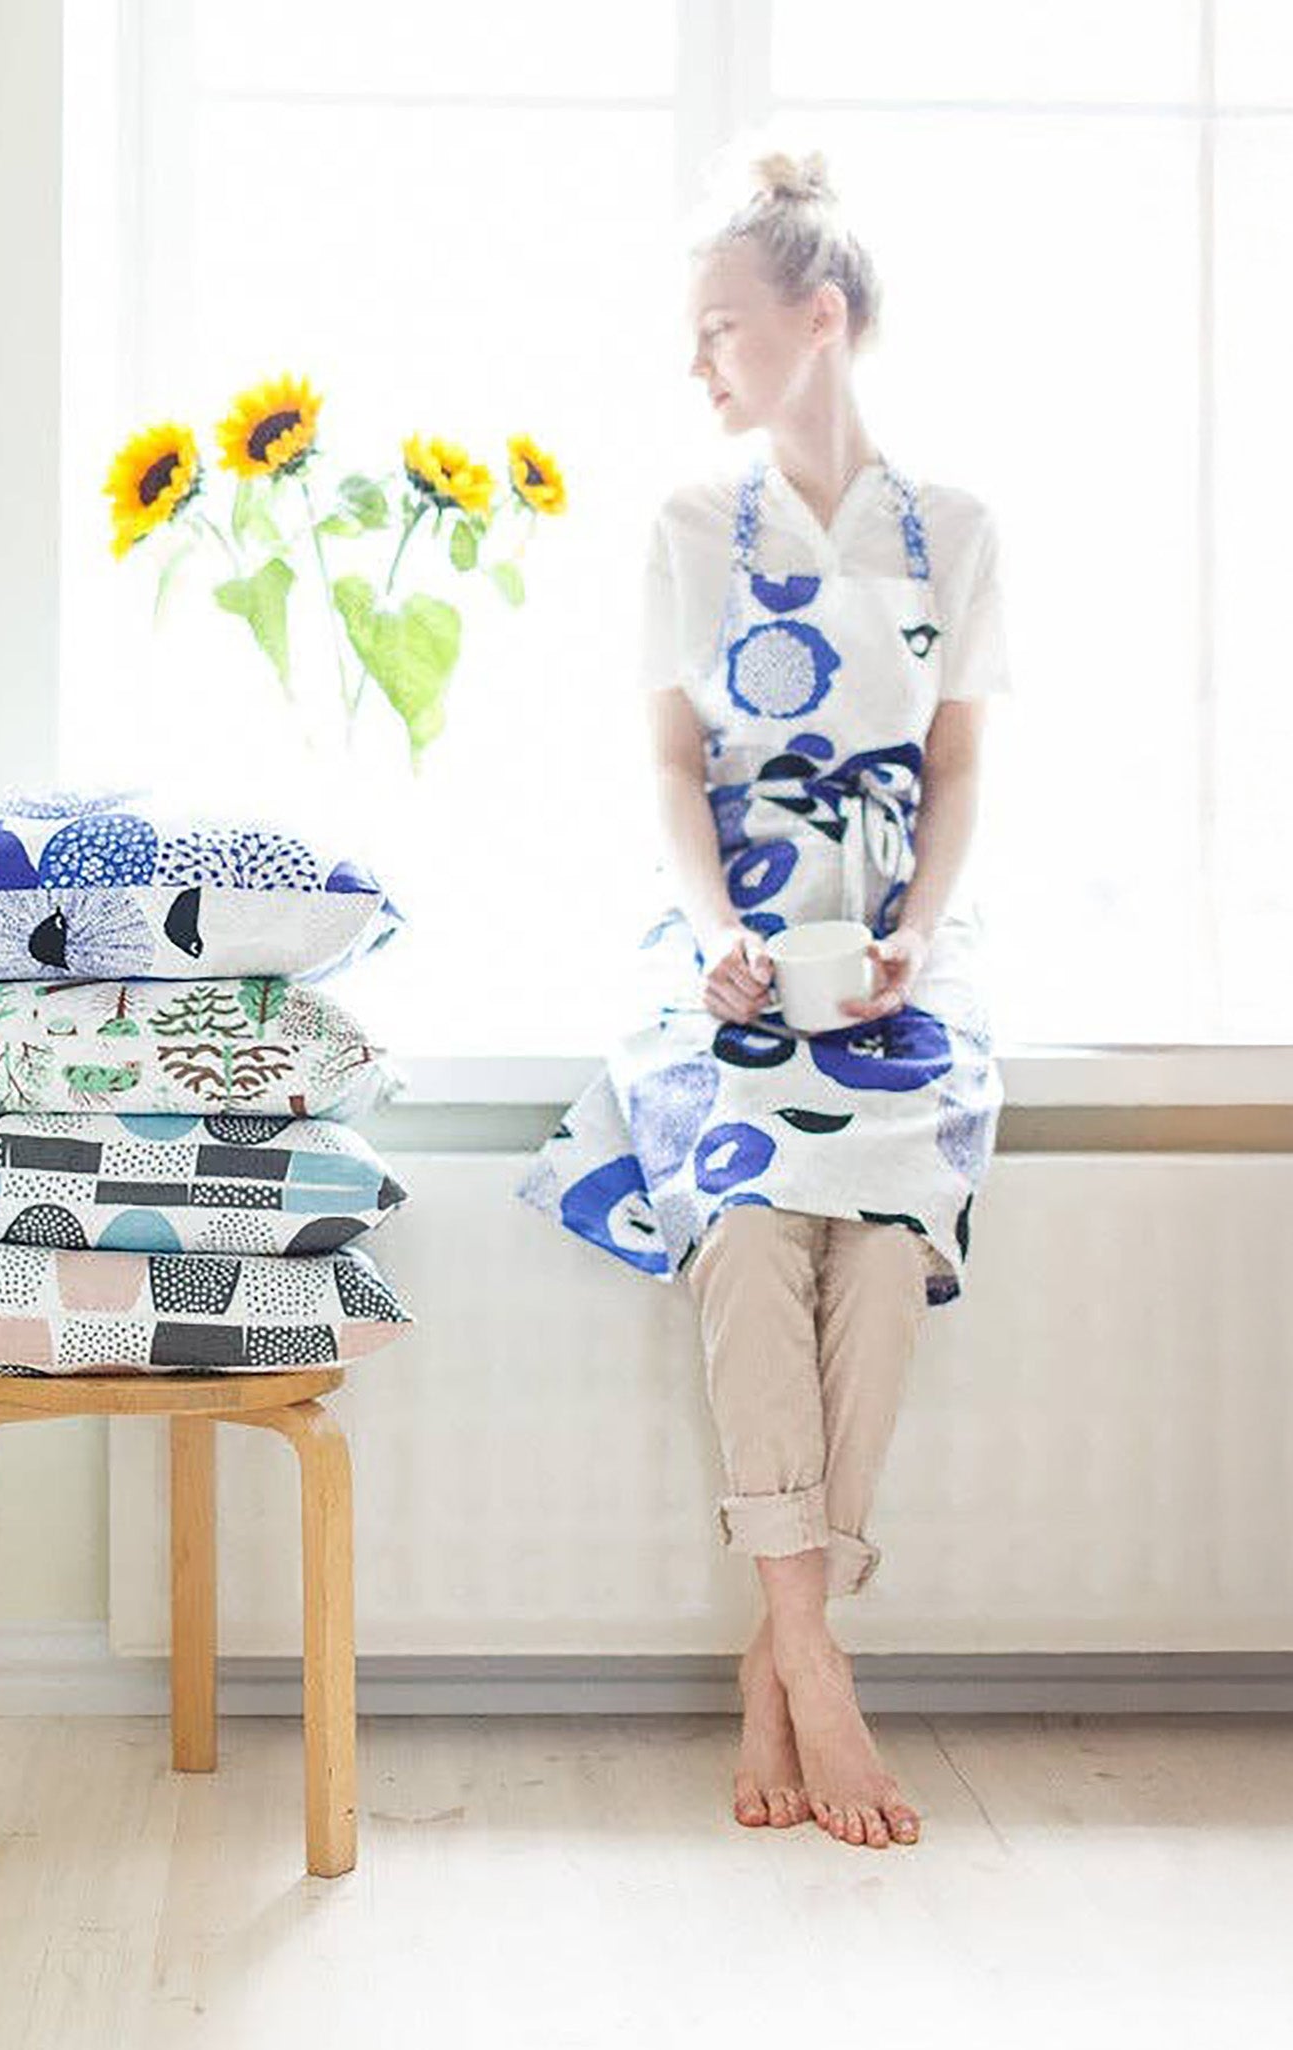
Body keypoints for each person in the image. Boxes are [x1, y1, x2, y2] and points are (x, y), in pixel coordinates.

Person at [515, 145, 1011, 1851]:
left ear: (823, 318)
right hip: (718, 942)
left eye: (722, 324)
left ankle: (779, 1644)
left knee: (882, 1242)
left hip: (894, 949)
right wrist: (715, 923)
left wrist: (921, 938)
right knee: (744, 1225)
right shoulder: (680, 526)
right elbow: (670, 765)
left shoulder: (957, 530)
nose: (699, 360)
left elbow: (955, 773)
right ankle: (816, 1658)